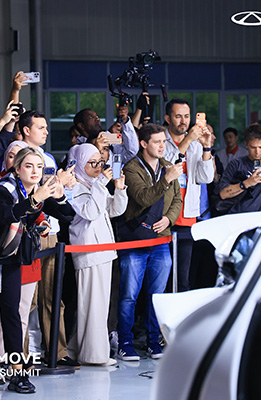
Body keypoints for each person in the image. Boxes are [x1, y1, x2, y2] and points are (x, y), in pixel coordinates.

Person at [0, 147, 74, 393]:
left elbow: (68, 215)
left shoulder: (35, 190)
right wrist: (35, 200)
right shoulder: (3, 188)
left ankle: (17, 372)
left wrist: (60, 196)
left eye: (40, 167)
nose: (35, 171)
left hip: (11, 260)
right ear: (16, 168)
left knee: (11, 315)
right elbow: (4, 215)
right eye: (29, 166)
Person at [17, 110, 80, 368]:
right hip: (28, 233)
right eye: (40, 127)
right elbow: (24, 193)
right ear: (26, 130)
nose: (46, 131)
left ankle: (57, 352)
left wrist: (63, 186)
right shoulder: (17, 151)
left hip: (51, 230)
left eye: (46, 127)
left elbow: (54, 194)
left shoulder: (49, 157)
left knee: (53, 296)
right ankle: (20, 358)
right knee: (27, 302)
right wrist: (56, 181)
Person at [117, 123, 182, 361]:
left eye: (164, 141)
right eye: (157, 142)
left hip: (161, 240)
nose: (162, 146)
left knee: (157, 295)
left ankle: (154, 341)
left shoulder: (167, 166)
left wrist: (169, 219)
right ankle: (125, 342)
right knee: (129, 295)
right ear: (144, 144)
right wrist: (166, 179)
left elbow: (177, 199)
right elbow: (143, 198)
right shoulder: (131, 167)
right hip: (134, 239)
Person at [67, 144, 127, 366]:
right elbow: (91, 212)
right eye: (92, 163)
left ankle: (79, 349)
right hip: (88, 252)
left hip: (102, 251)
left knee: (98, 305)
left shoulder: (94, 185)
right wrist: (101, 183)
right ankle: (94, 355)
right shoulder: (73, 186)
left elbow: (114, 210)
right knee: (91, 305)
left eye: (100, 162)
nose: (98, 167)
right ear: (80, 163)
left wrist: (119, 189)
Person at [162, 99, 214, 293]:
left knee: (183, 278)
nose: (183, 121)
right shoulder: (160, 139)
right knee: (163, 277)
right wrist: (188, 141)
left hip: (188, 214)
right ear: (168, 118)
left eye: (186, 116)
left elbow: (206, 178)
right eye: (178, 116)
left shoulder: (196, 144)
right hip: (164, 215)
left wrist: (206, 147)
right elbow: (166, 168)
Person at [218, 123, 261, 214]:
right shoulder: (236, 164)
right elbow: (223, 194)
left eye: (260, 147)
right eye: (253, 147)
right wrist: (247, 183)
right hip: (238, 216)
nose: (257, 152)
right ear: (246, 144)